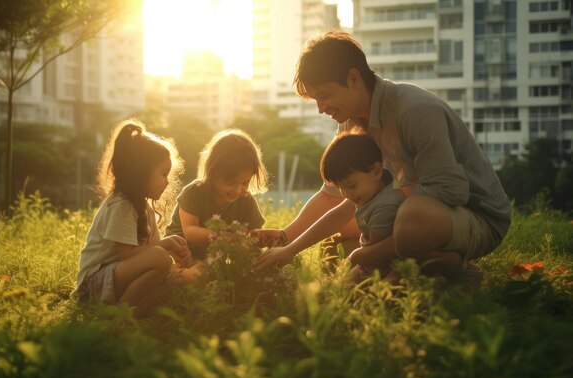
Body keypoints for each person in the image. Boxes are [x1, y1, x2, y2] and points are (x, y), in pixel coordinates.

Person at [254, 29, 511, 282]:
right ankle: (434, 265)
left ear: (354, 78)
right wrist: (286, 242)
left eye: (325, 96)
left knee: (411, 216)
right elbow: (335, 197)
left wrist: (374, 249)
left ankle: (443, 267)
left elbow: (451, 191)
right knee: (340, 241)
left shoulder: (413, 111)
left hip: (475, 216)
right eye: (316, 101)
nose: (321, 109)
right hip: (410, 215)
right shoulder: (350, 121)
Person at [72, 120, 196, 318]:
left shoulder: (144, 209)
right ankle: (121, 315)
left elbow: (154, 253)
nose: (167, 182)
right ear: (141, 174)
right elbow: (127, 254)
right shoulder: (122, 205)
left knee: (171, 283)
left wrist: (179, 260)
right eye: (164, 174)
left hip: (117, 280)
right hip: (94, 286)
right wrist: (166, 246)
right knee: (160, 259)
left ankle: (130, 309)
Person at [254, 131, 404, 278]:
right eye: (340, 188)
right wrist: (287, 244)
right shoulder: (373, 190)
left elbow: (374, 258)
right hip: (369, 265)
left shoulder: (384, 207)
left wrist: (353, 260)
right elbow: (337, 216)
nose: (347, 194)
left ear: (377, 171)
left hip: (379, 270)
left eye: (351, 185)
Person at [166, 128, 269, 260]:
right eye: (230, 183)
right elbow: (190, 232)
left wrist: (260, 241)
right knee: (199, 274)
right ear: (213, 174)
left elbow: (254, 237)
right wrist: (227, 237)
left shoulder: (246, 201)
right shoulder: (194, 192)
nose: (238, 190)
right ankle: (176, 275)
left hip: (214, 260)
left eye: (245, 183)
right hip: (181, 254)